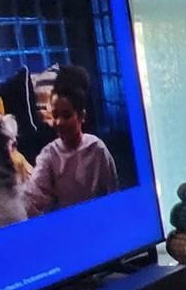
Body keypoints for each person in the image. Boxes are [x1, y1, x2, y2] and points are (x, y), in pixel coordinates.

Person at [21, 65, 119, 214]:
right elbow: (33, 197)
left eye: (66, 116)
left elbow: (113, 191)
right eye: (55, 115)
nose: (59, 122)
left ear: (81, 116)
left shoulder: (97, 148)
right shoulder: (49, 154)